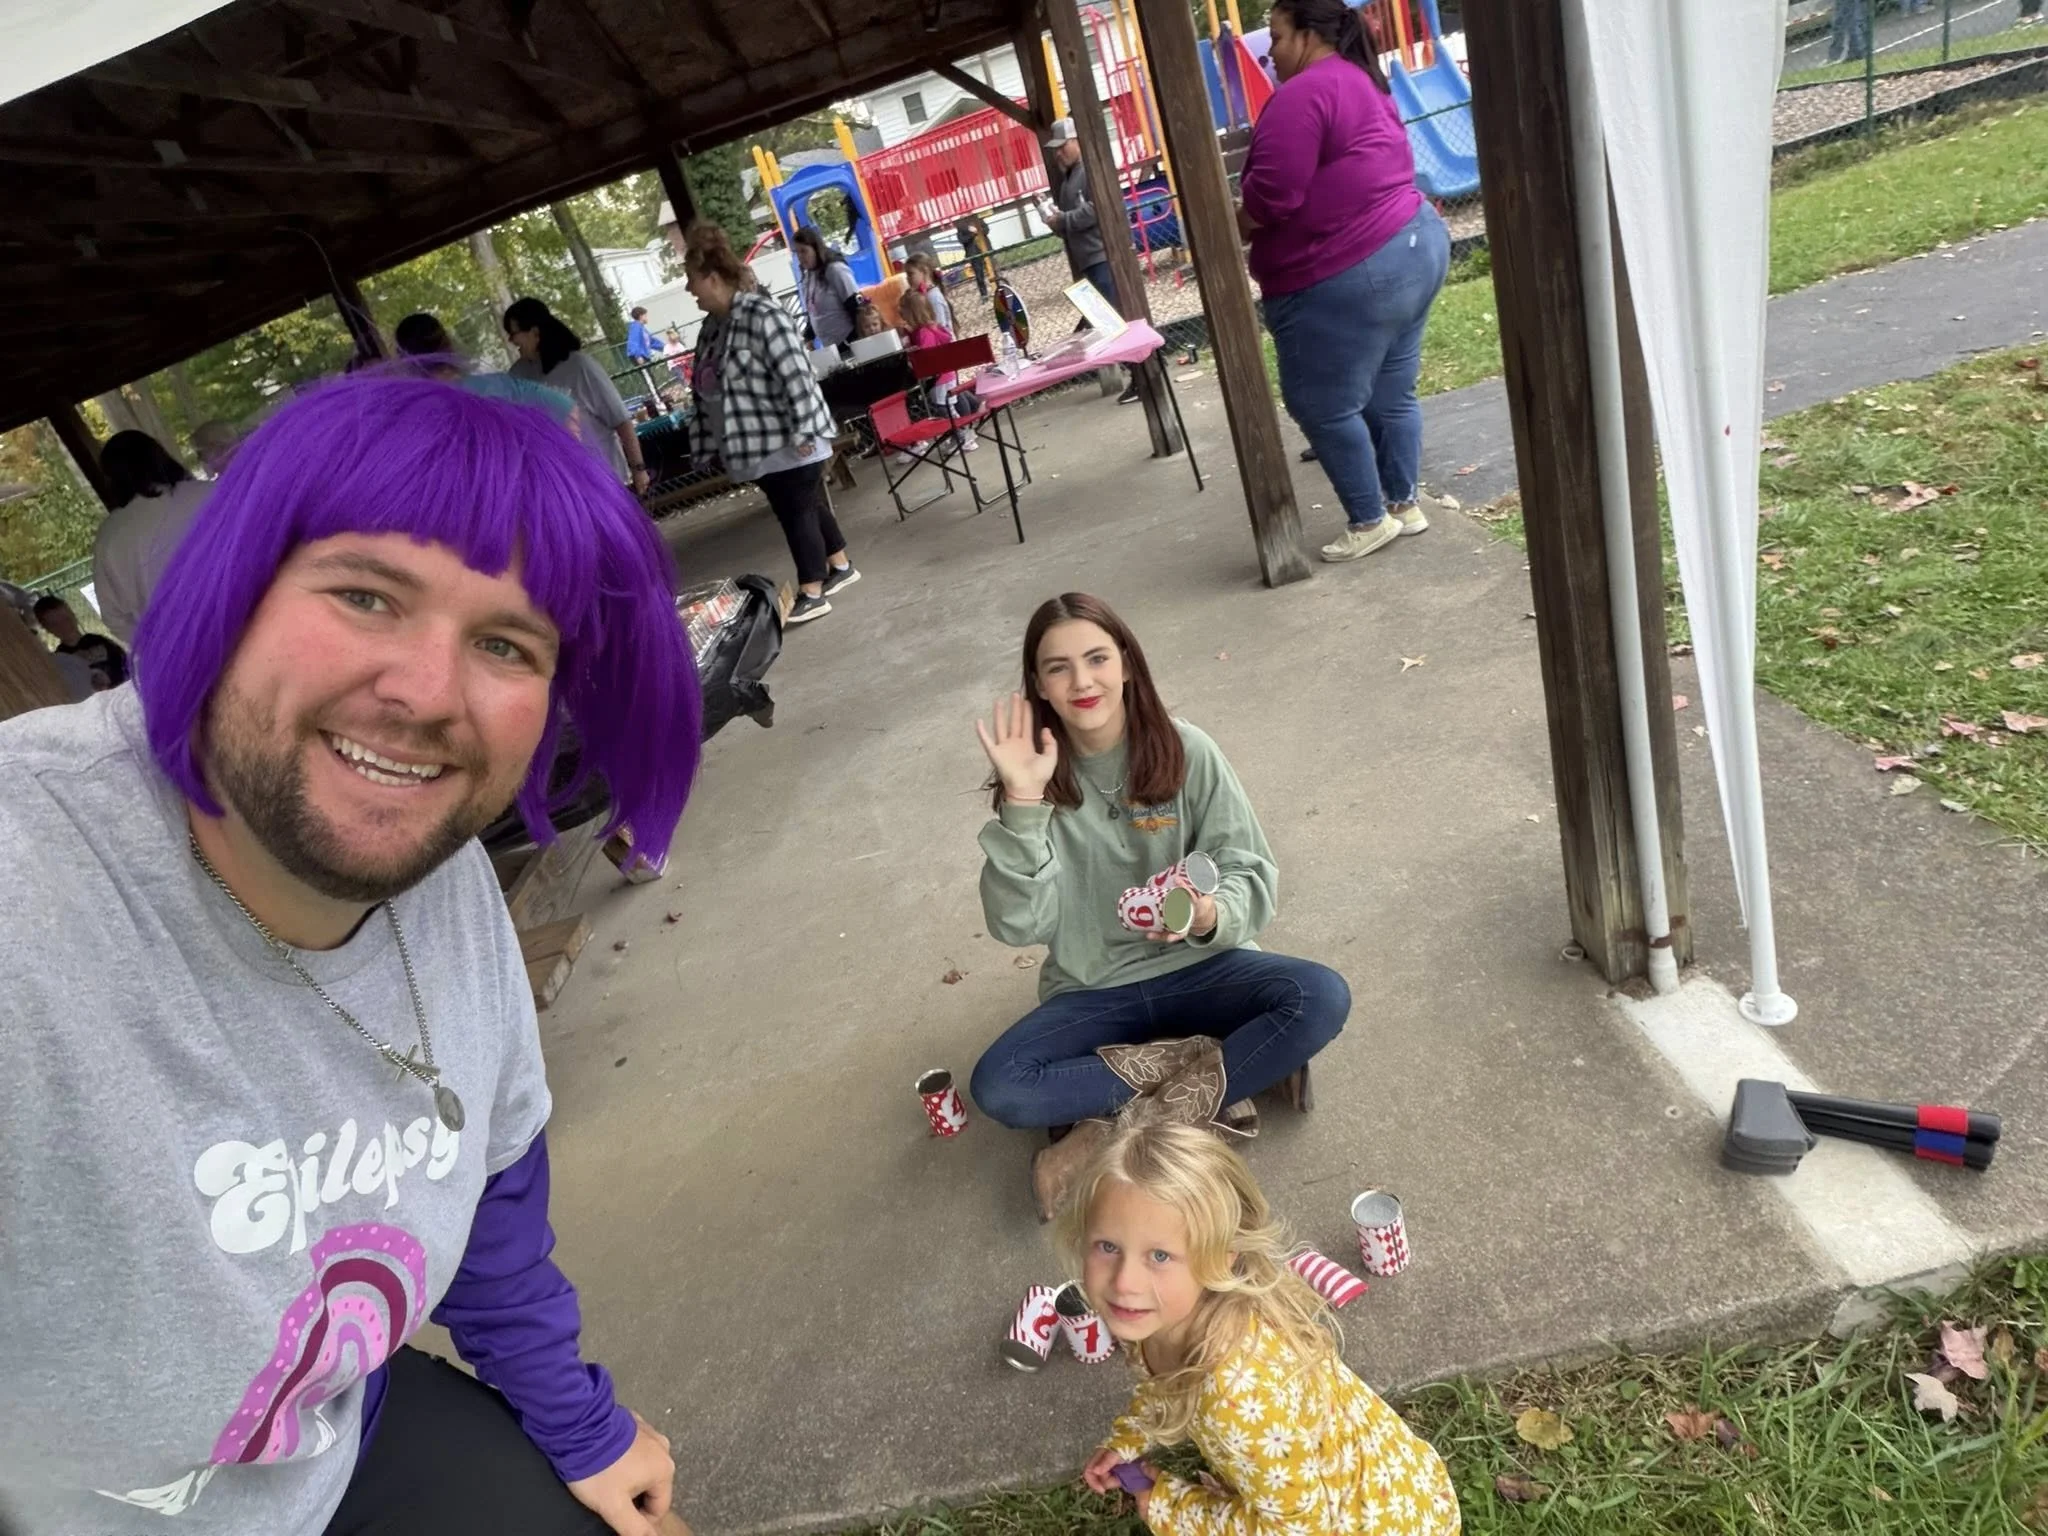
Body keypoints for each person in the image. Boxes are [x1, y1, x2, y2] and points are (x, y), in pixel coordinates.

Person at [0, 373, 701, 1536]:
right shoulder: (30, 876)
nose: (426, 694)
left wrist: (580, 1425)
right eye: (367, 595)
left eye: (506, 644)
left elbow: (490, 1185)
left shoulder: (448, 881)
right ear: (231, 589)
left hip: (335, 1441)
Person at [969, 594, 1349, 1214]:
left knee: (1320, 997)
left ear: (1126, 663)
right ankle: (1218, 1070)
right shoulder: (1034, 776)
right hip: (1093, 989)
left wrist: (1209, 914)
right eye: (1058, 667)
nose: (1082, 681)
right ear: (1037, 683)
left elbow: (1248, 871)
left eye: (1097, 657)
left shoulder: (1187, 749)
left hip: (1205, 969)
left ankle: (1109, 1128)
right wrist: (1021, 802)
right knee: (1001, 1087)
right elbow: (1018, 925)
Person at [1065, 1121, 1462, 1534]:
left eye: (1160, 1256)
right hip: (1365, 1481)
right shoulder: (1161, 1314)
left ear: (1223, 1257)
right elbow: (1165, 1383)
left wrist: (1169, 1504)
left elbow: (1295, 1530)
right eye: (1108, 1247)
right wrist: (1128, 1438)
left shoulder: (1238, 1398)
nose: (1124, 1282)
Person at [1241, 0, 1454, 566]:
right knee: (1391, 391)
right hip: (1414, 241)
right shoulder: (1361, 79)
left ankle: (1368, 518)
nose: (1272, 54)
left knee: (1322, 402)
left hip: (1350, 266)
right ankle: (1404, 504)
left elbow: (1272, 196)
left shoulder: (1302, 93)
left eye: (1277, 38)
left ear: (1309, 36)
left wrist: (1230, 219)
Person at [684, 225, 859, 627]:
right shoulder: (712, 327)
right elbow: (706, 387)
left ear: (712, 277)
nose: (689, 289)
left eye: (692, 281)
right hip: (756, 445)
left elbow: (796, 377)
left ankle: (812, 590)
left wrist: (803, 432)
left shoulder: (762, 316)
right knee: (806, 504)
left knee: (795, 511)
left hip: (790, 439)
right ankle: (842, 565)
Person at [1038, 120, 1143, 406]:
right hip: (1091, 260)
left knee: (1114, 323)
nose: (1058, 153)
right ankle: (1139, 374)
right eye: (1056, 149)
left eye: (1062, 147)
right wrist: (1055, 222)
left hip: (1100, 257)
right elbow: (1073, 222)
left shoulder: (1089, 173)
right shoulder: (1072, 178)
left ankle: (1142, 376)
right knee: (1109, 323)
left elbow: (1097, 210)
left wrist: (1064, 220)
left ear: (1076, 141)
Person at [503, 299, 650, 494]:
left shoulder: (580, 366)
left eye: (514, 333)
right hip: (559, 489)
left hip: (604, 481)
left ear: (535, 332)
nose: (511, 341)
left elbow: (621, 421)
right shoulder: (517, 377)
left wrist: (638, 469)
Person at [91, 429, 214, 644]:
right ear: (160, 457)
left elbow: (114, 617)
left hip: (183, 647)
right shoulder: (211, 494)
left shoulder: (110, 537)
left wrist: (157, 647)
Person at [394, 312, 580, 432]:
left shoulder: (410, 417)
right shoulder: (498, 386)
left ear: (404, 357)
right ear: (447, 342)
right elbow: (567, 408)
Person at [899, 288, 976, 453]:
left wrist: (912, 351)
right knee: (948, 404)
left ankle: (961, 435)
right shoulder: (930, 328)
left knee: (943, 407)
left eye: (904, 312)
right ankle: (961, 433)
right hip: (946, 373)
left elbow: (927, 355)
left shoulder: (923, 333)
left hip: (938, 377)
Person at [790, 226, 863, 352]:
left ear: (816, 249)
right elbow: (814, 312)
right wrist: (809, 336)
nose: (801, 257)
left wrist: (856, 340)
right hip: (831, 346)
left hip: (849, 340)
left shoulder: (835, 269)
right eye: (797, 252)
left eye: (804, 251)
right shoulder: (809, 276)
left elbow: (855, 305)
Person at [30, 594, 127, 688]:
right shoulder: (61, 660)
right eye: (55, 624)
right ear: (47, 629)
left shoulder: (98, 640)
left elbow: (125, 663)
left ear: (72, 614)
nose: (64, 625)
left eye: (65, 618)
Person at [901, 252, 954, 334]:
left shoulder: (933, 297)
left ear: (925, 272)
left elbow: (940, 328)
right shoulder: (924, 295)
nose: (908, 279)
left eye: (911, 274)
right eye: (907, 275)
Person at [954, 210, 995, 299]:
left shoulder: (977, 219)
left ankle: (996, 288)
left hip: (985, 248)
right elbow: (962, 240)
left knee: (992, 269)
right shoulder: (960, 225)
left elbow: (986, 230)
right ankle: (984, 294)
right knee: (979, 274)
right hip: (973, 252)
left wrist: (978, 230)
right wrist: (973, 234)